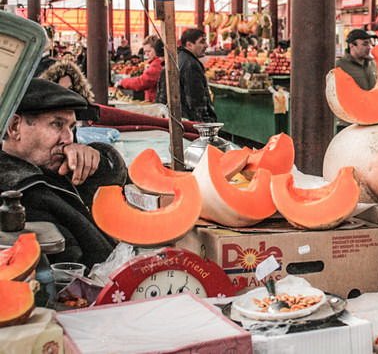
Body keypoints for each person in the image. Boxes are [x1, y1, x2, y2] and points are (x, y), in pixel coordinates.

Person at [0, 79, 127, 268]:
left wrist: (98, 161)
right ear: (14, 127)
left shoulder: (54, 167)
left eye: (72, 128)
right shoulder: (20, 196)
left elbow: (118, 181)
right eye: (57, 124)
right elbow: (70, 268)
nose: (68, 138)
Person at [157, 28, 217, 122]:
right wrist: (203, 123)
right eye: (202, 42)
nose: (206, 45)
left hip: (175, 118)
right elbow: (196, 100)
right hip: (187, 121)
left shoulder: (176, 59)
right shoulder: (191, 65)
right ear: (189, 45)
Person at [117, 36, 164, 102]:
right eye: (145, 52)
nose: (147, 54)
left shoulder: (156, 64)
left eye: (149, 51)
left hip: (154, 103)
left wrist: (123, 82)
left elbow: (142, 82)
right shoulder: (154, 63)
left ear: (156, 50)